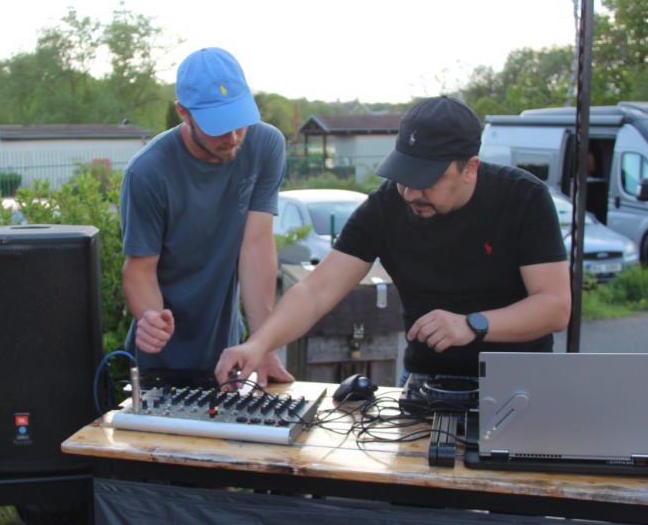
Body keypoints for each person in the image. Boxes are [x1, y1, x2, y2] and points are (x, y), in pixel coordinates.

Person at [216, 95, 571, 385]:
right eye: (404, 175)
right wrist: (258, 345)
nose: (411, 192)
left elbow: (555, 306)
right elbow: (315, 291)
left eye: (427, 179)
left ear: (470, 168)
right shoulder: (386, 206)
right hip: (427, 379)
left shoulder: (523, 199)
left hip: (520, 381)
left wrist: (472, 324)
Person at [119, 47, 293, 386]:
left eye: (238, 121)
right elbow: (140, 268)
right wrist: (151, 319)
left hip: (229, 352)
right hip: (161, 364)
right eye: (218, 126)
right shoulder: (147, 172)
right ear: (184, 113)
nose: (233, 137)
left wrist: (262, 346)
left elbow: (256, 247)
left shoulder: (265, 145)